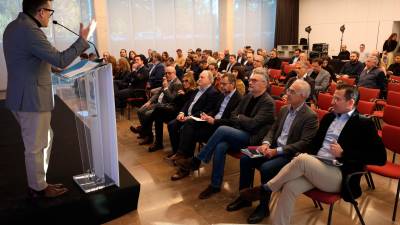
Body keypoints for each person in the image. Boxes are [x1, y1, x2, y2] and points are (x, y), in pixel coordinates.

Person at [240, 84, 387, 225]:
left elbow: (380, 158)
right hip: (317, 167)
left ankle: (266, 189)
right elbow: (314, 144)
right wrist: (299, 153)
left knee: (303, 159)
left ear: (350, 102)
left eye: (337, 99)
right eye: (333, 97)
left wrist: (344, 153)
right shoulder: (329, 117)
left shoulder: (364, 124)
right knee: (290, 187)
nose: (332, 101)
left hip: (339, 175)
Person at [3, 0, 93, 198]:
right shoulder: (30, 31)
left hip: (20, 95)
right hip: (31, 99)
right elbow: (61, 58)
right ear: (41, 11)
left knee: (44, 138)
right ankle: (38, 188)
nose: (50, 16)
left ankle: (39, 182)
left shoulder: (13, 26)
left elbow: (25, 59)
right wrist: (82, 41)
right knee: (36, 146)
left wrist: (49, 67)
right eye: (50, 11)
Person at [227, 79, 318, 224]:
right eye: (288, 89)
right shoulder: (284, 109)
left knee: (266, 168)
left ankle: (263, 208)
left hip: (288, 156)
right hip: (271, 148)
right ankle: (245, 198)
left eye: (292, 91)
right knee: (246, 157)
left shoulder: (310, 116)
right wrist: (265, 143)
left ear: (302, 96)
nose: (287, 93)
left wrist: (277, 151)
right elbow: (273, 129)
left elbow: (303, 143)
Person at [187, 68, 276, 200]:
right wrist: (241, 119)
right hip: (240, 133)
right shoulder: (248, 96)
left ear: (264, 84)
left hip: (253, 139)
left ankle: (199, 158)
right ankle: (215, 185)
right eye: (250, 80)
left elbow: (253, 124)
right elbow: (234, 114)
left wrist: (241, 118)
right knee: (220, 146)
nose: (250, 83)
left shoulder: (268, 102)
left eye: (254, 80)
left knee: (222, 129)